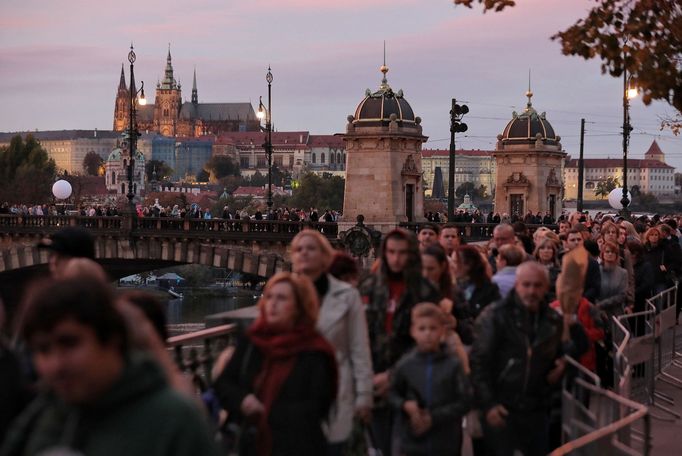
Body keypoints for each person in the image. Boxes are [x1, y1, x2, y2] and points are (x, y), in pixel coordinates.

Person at [1, 278, 219, 456]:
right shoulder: (43, 414)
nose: (56, 364)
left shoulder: (174, 421)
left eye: (69, 343)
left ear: (112, 340)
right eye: (43, 350)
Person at [214, 272, 337, 456]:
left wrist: (267, 412)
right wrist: (243, 401)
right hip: (251, 445)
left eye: (281, 298)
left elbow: (318, 407)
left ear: (299, 306)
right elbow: (223, 384)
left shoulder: (315, 351)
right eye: (269, 296)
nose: (272, 303)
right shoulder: (252, 342)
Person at [290, 230, 373, 454]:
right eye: (299, 249)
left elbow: (359, 349)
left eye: (311, 248)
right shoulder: (283, 294)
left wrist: (365, 394)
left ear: (324, 256)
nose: (304, 253)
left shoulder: (347, 296)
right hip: (292, 393)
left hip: (334, 389)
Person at [470, 262, 565, 456]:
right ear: (517, 285)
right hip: (501, 406)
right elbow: (478, 364)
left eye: (537, 285)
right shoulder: (494, 316)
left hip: (536, 408)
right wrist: (489, 405)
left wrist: (561, 365)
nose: (531, 291)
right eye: (526, 284)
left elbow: (559, 354)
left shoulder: (553, 320)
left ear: (546, 287)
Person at [358, 229, 439, 456]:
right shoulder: (369, 287)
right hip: (374, 383)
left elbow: (427, 342)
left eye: (402, 253)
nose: (396, 259)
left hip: (412, 387)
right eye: (391, 252)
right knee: (379, 446)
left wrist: (393, 375)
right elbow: (360, 337)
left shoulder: (425, 291)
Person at [389, 303, 472, 456]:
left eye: (433, 328)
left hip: (446, 442)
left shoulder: (452, 365)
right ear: (413, 331)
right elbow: (392, 393)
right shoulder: (405, 365)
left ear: (442, 330)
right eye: (422, 328)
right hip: (413, 443)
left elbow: (465, 400)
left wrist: (434, 417)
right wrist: (404, 405)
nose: (427, 334)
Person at [453, 245, 500, 345]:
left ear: (468, 264)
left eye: (456, 262)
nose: (453, 266)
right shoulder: (453, 288)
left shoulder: (489, 289)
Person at [598, 240, 629, 316]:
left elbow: (622, 295)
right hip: (598, 312)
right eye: (607, 252)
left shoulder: (623, 273)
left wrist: (603, 303)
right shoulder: (597, 271)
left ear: (616, 255)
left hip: (616, 313)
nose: (610, 254)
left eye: (613, 252)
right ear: (602, 254)